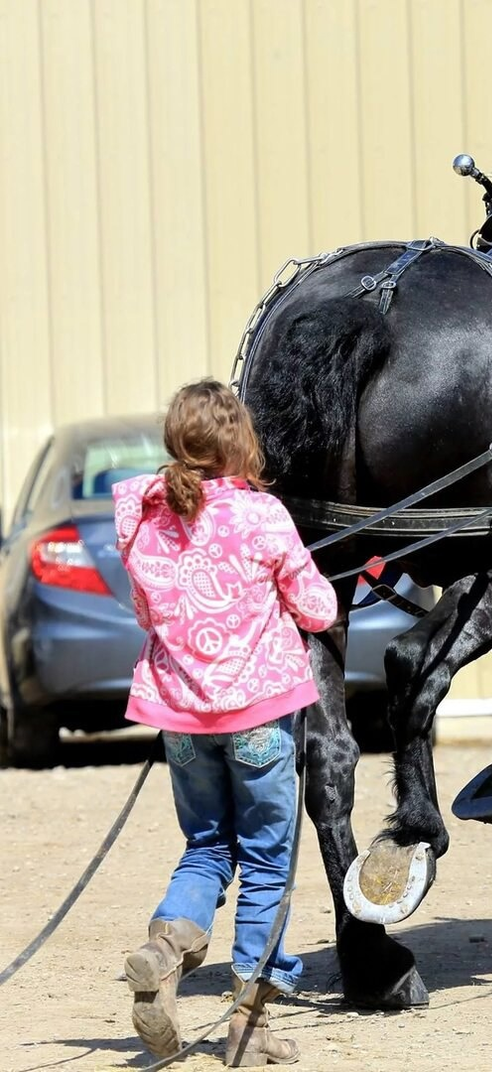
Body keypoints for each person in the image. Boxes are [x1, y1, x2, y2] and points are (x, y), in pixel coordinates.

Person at [114, 378, 338, 1066]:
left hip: (180, 719)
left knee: (207, 848)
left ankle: (166, 947)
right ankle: (248, 1020)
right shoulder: (264, 515)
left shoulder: (143, 519)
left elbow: (149, 617)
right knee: (268, 863)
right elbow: (319, 610)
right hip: (260, 717)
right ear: (238, 439)